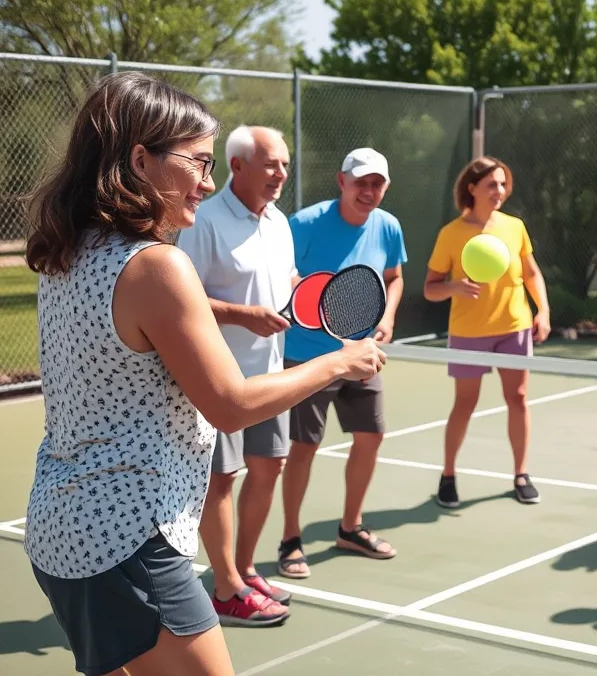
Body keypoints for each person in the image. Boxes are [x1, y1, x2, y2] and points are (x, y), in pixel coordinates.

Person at [21, 72, 386, 676]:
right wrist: (338, 362)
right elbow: (230, 403)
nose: (209, 182)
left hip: (61, 533)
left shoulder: (65, 250)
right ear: (141, 160)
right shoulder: (157, 268)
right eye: (197, 162)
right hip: (127, 541)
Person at [175, 125, 295, 627]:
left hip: (270, 374)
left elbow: (286, 281)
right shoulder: (202, 221)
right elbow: (181, 296)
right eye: (271, 164)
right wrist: (242, 315)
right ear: (238, 166)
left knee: (269, 467)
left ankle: (244, 568)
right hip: (218, 379)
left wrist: (302, 295)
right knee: (221, 479)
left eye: (285, 164)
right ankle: (226, 588)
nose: (281, 174)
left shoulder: (279, 222)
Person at [277, 147, 407, 576]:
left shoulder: (388, 226)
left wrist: (386, 316)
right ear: (342, 182)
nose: (369, 191)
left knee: (371, 436)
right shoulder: (306, 223)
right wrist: (310, 298)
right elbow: (282, 271)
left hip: (363, 353)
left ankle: (350, 528)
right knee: (304, 447)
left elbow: (394, 276)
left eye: (377, 184)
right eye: (361, 182)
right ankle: (290, 539)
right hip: (307, 356)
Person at [423, 156, 551, 508]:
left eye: (503, 184)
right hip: (469, 332)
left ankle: (521, 474)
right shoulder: (451, 234)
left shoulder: (514, 227)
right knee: (465, 403)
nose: (500, 191)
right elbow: (430, 289)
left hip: (514, 326)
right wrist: (455, 287)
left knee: (519, 398)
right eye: (492, 184)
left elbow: (531, 273)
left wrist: (543, 310)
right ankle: (448, 475)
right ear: (472, 188)